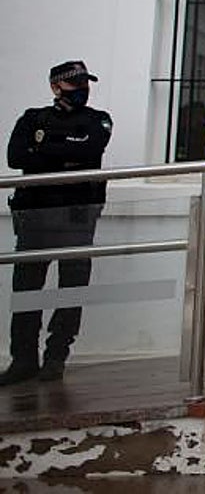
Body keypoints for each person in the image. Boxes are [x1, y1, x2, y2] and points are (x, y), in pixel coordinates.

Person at [2, 60, 113, 384]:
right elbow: (16, 157)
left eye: (84, 83)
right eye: (74, 83)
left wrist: (43, 150)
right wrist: (66, 152)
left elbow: (92, 147)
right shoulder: (32, 118)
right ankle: (23, 360)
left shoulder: (97, 120)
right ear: (55, 87)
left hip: (77, 216)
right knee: (26, 292)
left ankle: (55, 357)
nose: (82, 89)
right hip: (34, 216)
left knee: (71, 292)